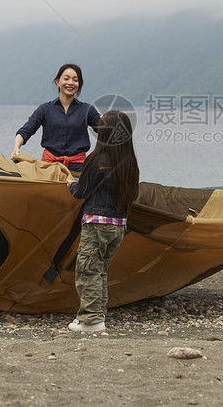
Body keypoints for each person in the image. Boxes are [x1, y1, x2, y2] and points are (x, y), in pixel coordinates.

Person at [66, 110, 140, 332]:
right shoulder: (129, 163)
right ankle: (96, 316)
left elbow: (81, 192)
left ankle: (92, 319)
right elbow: (133, 194)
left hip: (96, 224)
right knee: (99, 270)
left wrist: (69, 182)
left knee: (87, 270)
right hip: (118, 226)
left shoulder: (96, 160)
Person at [12, 64, 101, 172]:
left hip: (79, 168)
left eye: (75, 80)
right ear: (57, 81)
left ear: (79, 84)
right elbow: (26, 131)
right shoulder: (45, 109)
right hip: (49, 167)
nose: (70, 83)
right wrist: (16, 148)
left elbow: (104, 129)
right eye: (66, 79)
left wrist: (110, 119)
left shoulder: (87, 110)